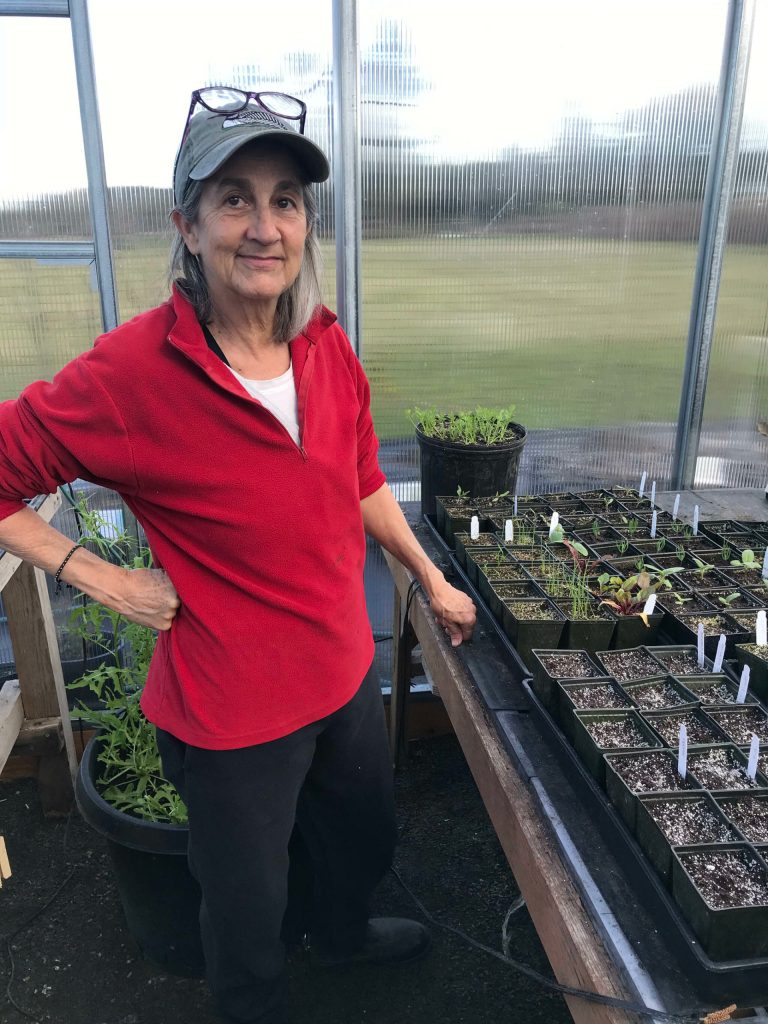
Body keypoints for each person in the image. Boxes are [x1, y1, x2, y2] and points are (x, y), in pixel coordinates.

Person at [0, 86, 476, 1024]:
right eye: (235, 198)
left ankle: (342, 935)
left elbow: (362, 478)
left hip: (344, 673)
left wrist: (430, 576)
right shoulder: (135, 375)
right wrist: (97, 577)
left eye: (286, 200)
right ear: (187, 223)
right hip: (230, 715)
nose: (265, 226)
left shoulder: (327, 346)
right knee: (245, 907)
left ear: (306, 225)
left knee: (358, 839)